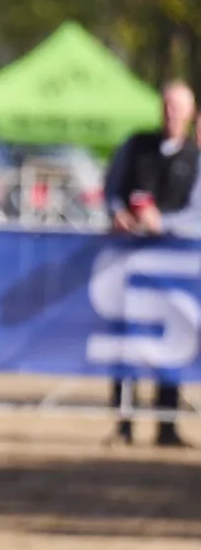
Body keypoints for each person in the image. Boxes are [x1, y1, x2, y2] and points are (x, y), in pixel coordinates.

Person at [101, 80, 195, 448]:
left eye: (178, 108)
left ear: (190, 113)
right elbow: (111, 188)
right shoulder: (136, 145)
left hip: (174, 268)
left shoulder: (195, 158)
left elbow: (197, 214)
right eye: (167, 106)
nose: (171, 114)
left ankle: (166, 425)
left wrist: (163, 224)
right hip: (128, 263)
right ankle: (123, 423)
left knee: (172, 343)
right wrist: (119, 213)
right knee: (125, 344)